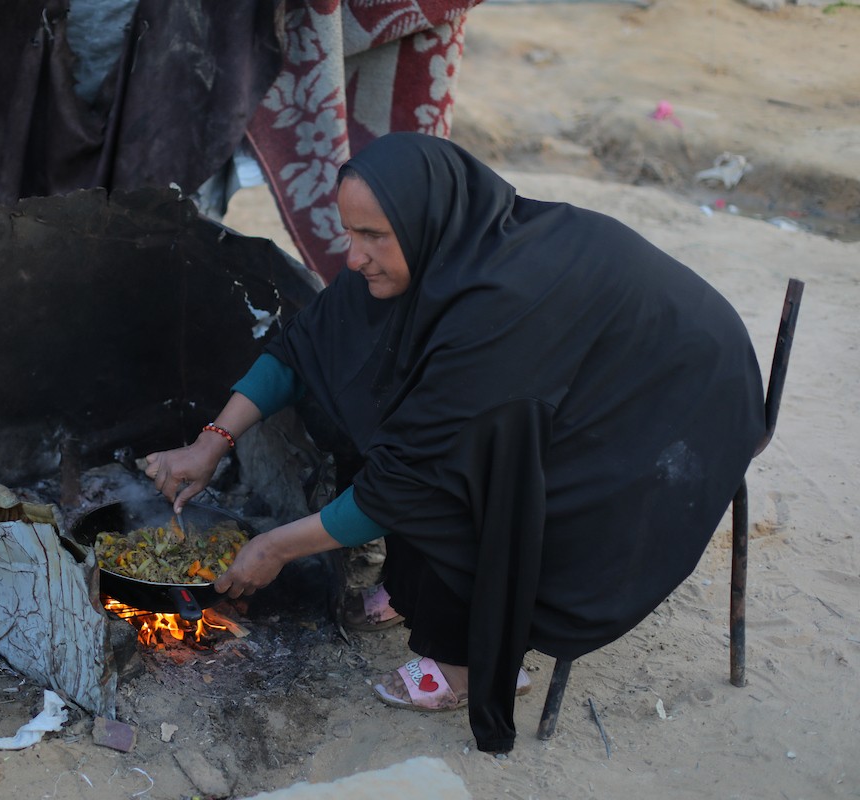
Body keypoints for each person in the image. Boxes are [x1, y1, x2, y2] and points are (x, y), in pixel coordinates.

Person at [144, 132, 765, 753]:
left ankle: (474, 663)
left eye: (373, 236)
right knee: (394, 416)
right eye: (349, 233)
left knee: (478, 480)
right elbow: (307, 345)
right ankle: (416, 590)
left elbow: (409, 481)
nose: (354, 258)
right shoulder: (440, 245)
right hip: (591, 365)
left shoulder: (494, 311)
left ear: (424, 220)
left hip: (674, 400)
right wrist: (211, 443)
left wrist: (275, 547)